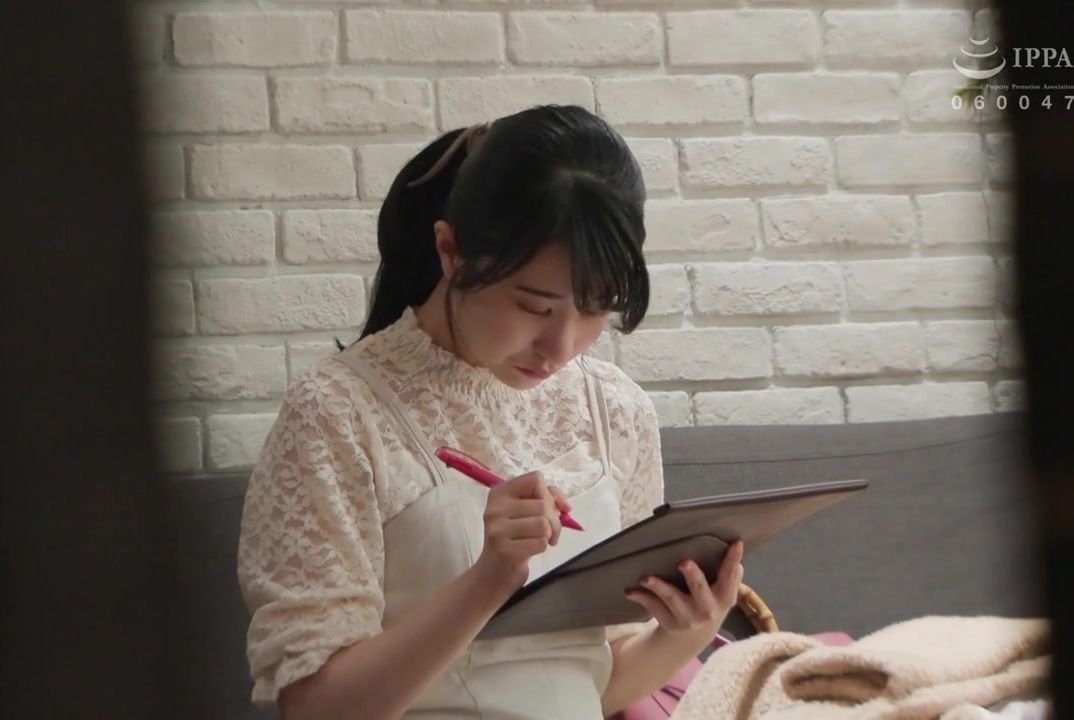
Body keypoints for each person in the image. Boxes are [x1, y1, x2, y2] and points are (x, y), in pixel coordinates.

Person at [237, 104, 745, 720]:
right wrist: (488, 580)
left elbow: (594, 686)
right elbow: (316, 709)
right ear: (450, 251)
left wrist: (689, 630)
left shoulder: (616, 409)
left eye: (596, 308)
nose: (562, 347)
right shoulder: (337, 413)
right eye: (534, 307)